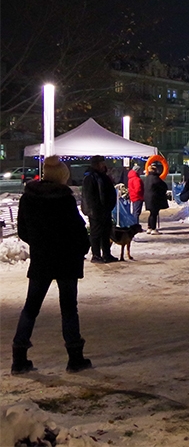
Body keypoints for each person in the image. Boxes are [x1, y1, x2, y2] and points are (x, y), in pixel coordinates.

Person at [11, 156, 92, 374]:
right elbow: (77, 230)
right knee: (68, 308)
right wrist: (83, 247)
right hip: (66, 259)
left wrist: (39, 243)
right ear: (61, 176)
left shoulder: (28, 198)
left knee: (31, 307)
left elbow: (23, 230)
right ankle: (75, 357)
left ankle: (19, 357)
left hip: (42, 259)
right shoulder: (64, 198)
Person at [81, 155, 118, 263]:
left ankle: (106, 254)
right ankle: (96, 255)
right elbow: (89, 197)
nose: (104, 164)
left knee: (106, 233)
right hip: (96, 212)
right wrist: (93, 211)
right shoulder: (90, 177)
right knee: (96, 233)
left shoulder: (103, 176)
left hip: (105, 210)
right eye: (101, 163)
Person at [144, 162, 169, 235]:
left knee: (151, 213)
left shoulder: (147, 178)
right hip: (154, 199)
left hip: (148, 198)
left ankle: (149, 227)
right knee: (154, 214)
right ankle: (153, 228)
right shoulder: (155, 178)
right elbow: (164, 186)